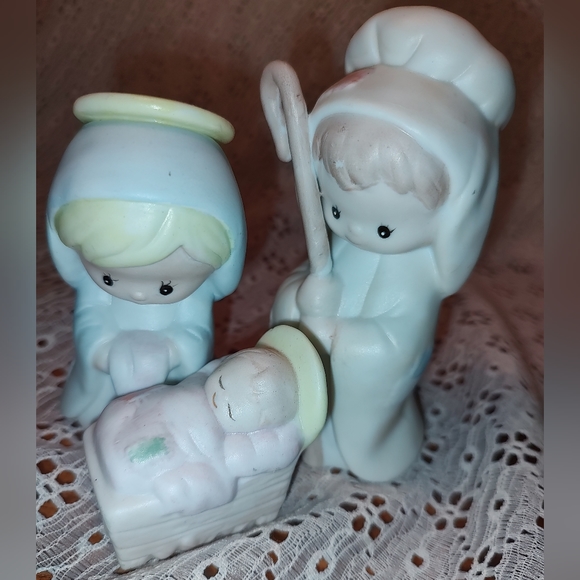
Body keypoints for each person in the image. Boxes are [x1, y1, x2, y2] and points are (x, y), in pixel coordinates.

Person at [266, 7, 516, 481]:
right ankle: (317, 439)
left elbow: (400, 346)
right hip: (319, 391)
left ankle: (363, 446)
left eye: (383, 228)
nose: (355, 232)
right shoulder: (342, 246)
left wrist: (339, 337)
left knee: (357, 396)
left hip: (366, 397)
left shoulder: (415, 276)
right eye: (336, 210)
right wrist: (296, 301)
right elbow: (303, 286)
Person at [47, 93, 246, 427]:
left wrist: (172, 351)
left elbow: (194, 332)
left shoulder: (194, 295)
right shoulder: (95, 286)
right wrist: (103, 351)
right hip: (110, 373)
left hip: (167, 380)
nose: (139, 294)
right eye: (109, 278)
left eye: (166, 286)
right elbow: (90, 319)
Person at [90, 325, 326, 515]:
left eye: (231, 409)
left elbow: (233, 464)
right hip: (157, 409)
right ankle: (117, 443)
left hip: (186, 448)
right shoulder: (203, 379)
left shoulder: (242, 445)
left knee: (144, 462)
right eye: (221, 382)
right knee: (128, 414)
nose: (219, 397)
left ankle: (129, 465)